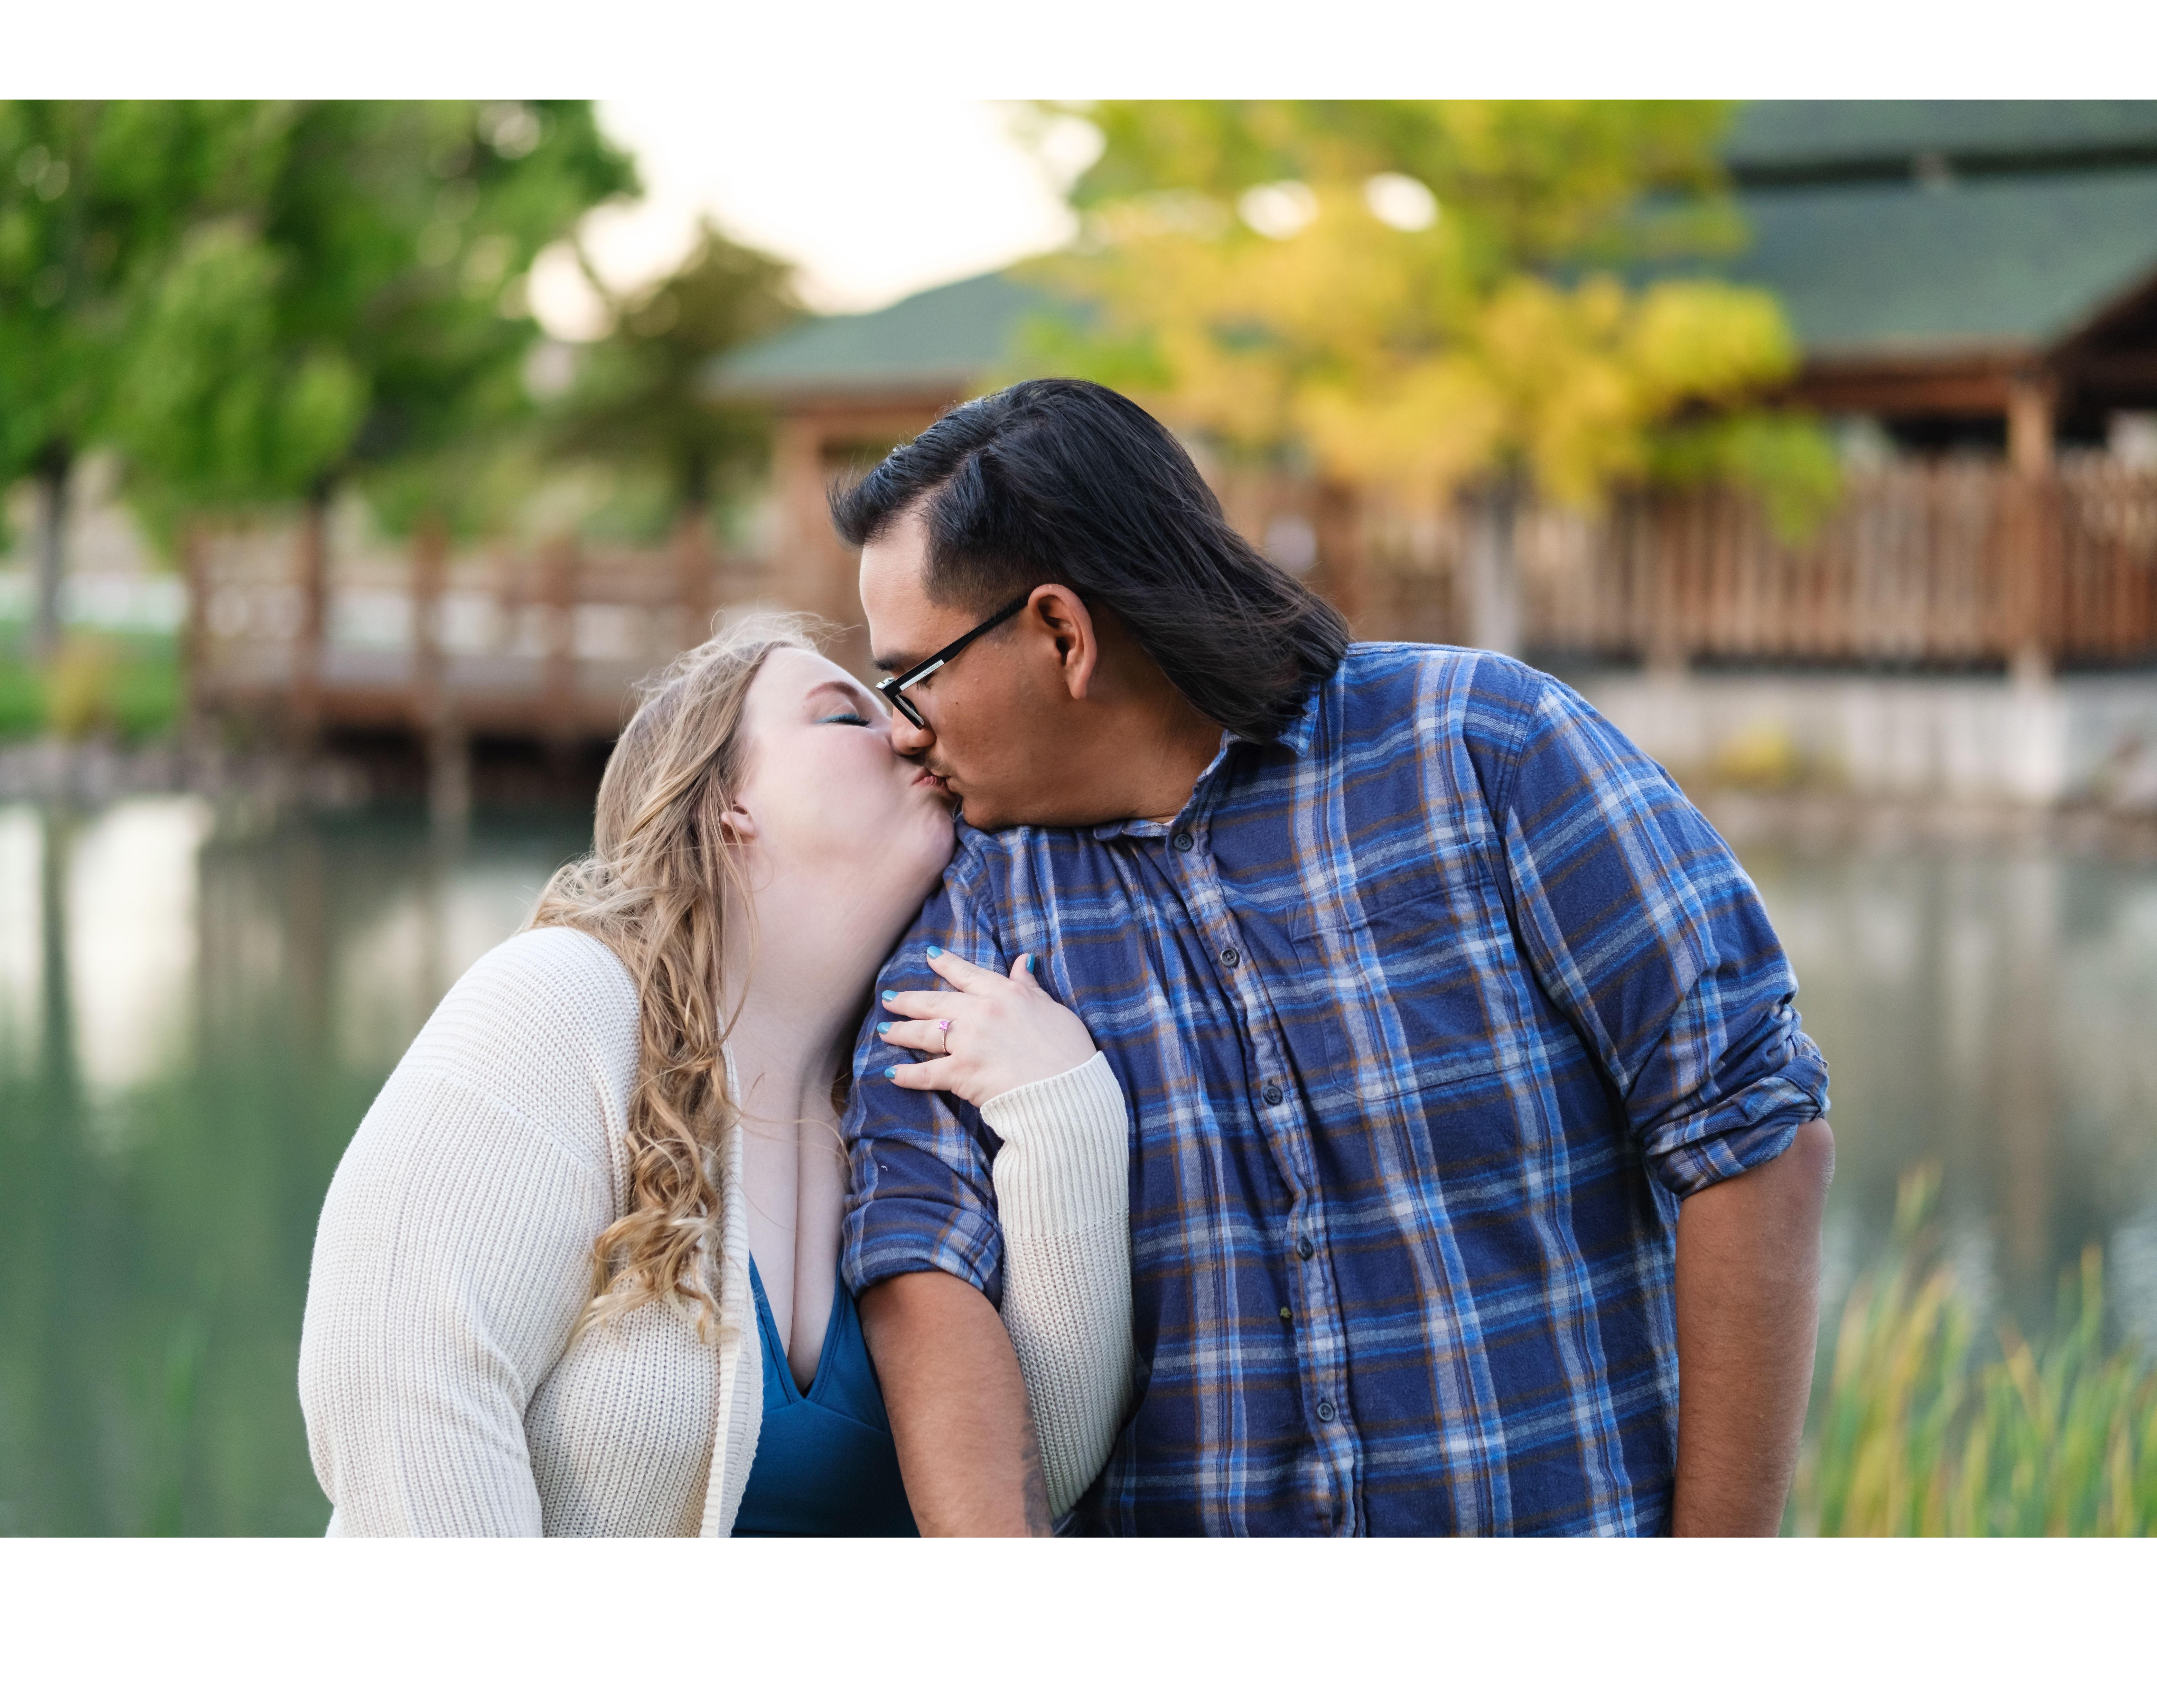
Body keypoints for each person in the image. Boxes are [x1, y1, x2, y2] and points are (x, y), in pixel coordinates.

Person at [834, 379, 1835, 1537]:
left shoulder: (1485, 750)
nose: (900, 729)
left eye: (914, 677)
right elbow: (923, 1259)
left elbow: (1752, 1132)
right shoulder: (964, 912)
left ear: (1064, 633)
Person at [299, 613, 1134, 1537]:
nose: (910, 730)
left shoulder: (914, 1098)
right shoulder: (561, 1001)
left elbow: (1037, 1480)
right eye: (844, 716)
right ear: (727, 801)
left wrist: (1063, 1111)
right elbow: (399, 1382)